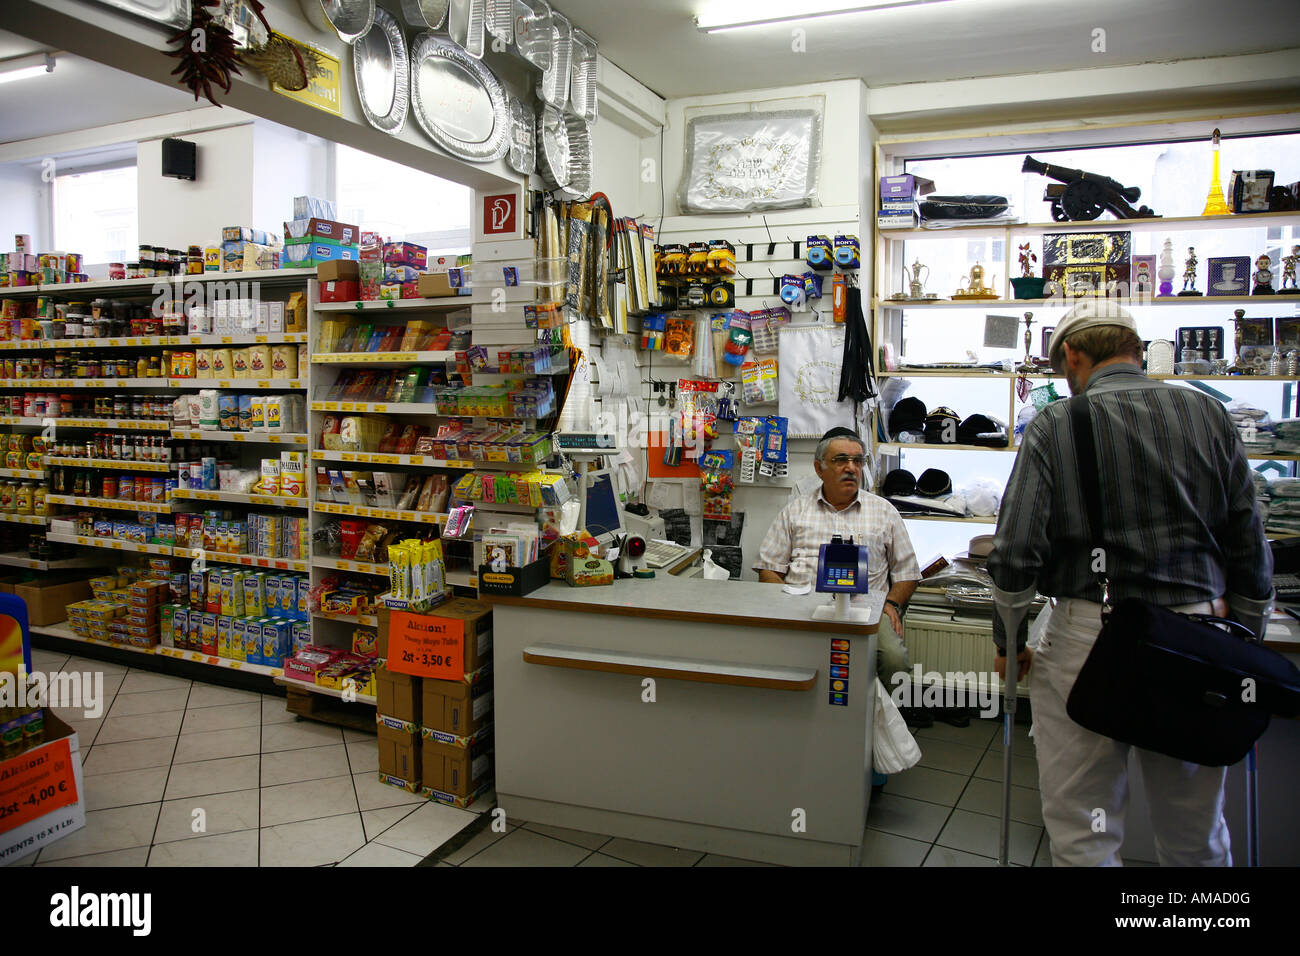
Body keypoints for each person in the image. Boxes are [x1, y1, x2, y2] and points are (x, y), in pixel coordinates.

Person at [988, 300, 1273, 867]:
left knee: (1084, 829)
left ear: (1072, 355)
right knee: (1194, 828)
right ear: (1136, 350)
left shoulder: (1057, 423)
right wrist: (1245, 636)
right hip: (1195, 635)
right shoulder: (1207, 414)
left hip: (1089, 635)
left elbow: (1016, 551)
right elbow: (1247, 534)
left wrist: (1009, 641)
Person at [754, 427, 929, 727]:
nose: (851, 468)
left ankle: (879, 728)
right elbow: (768, 568)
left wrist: (892, 605)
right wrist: (785, 603)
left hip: (868, 612)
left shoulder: (884, 512)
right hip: (803, 608)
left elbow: (908, 574)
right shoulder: (795, 512)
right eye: (841, 460)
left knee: (894, 662)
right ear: (819, 468)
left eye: (858, 461)